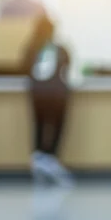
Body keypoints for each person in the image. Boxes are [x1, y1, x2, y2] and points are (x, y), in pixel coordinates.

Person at [29, 42, 73, 185]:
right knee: (57, 125)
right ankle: (50, 157)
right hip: (59, 93)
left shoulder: (34, 48)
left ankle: (40, 155)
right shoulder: (61, 49)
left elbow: (23, 67)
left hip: (36, 92)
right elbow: (67, 69)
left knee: (39, 123)